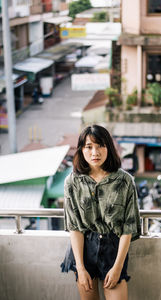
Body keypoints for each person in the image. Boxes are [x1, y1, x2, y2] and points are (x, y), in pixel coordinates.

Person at [61, 125, 141, 300]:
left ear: (108, 148)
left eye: (100, 146)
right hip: (84, 249)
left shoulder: (124, 180)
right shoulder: (72, 182)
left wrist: (118, 266)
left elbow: (129, 226)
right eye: (89, 147)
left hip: (113, 248)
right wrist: (81, 269)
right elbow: (74, 227)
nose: (94, 152)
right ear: (82, 149)